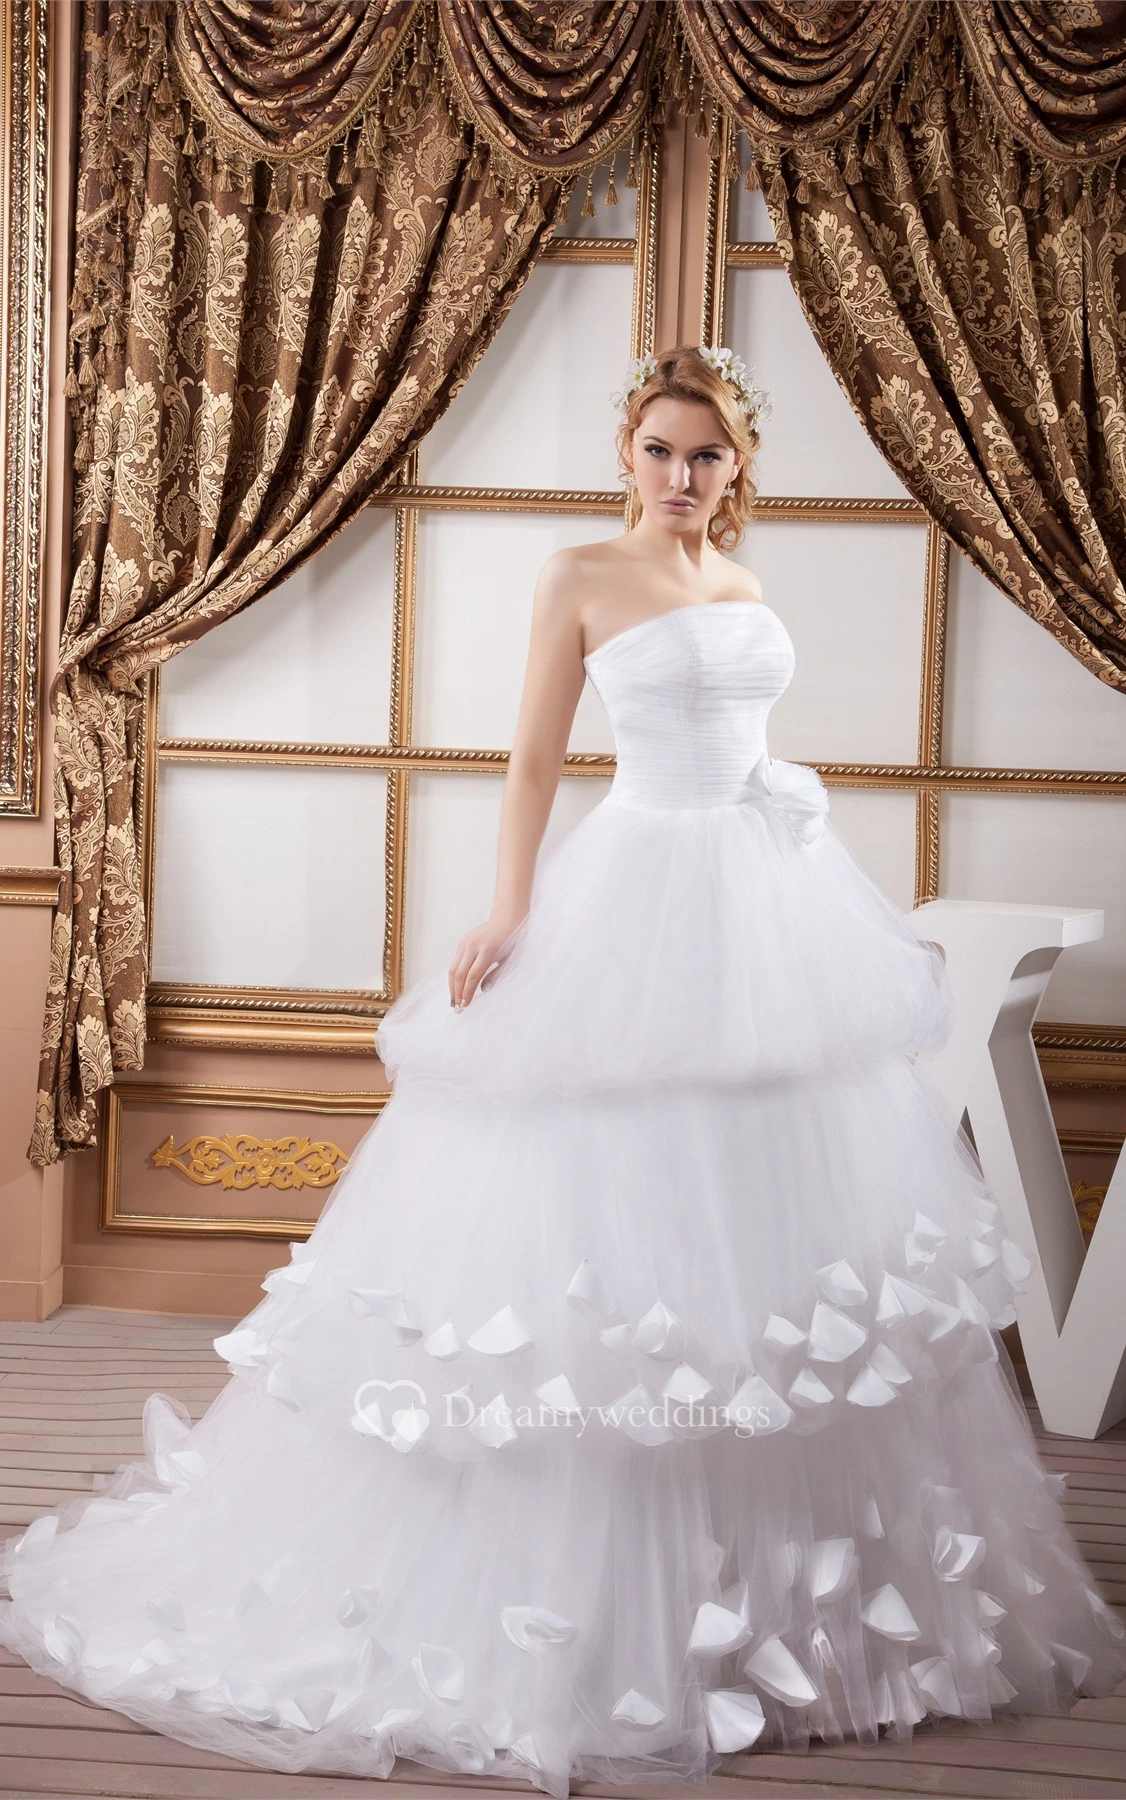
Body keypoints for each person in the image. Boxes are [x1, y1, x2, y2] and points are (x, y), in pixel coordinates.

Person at [1, 345, 1123, 1797]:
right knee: (602, 1219)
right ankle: (586, 1586)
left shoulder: (742, 583)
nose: (681, 475)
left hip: (762, 900)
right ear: (625, 452)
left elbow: (746, 744)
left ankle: (774, 1588)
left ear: (738, 465)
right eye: (660, 449)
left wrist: (780, 803)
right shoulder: (581, 576)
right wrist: (509, 910)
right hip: (636, 891)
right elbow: (532, 762)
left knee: (771, 1219)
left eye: (706, 454)